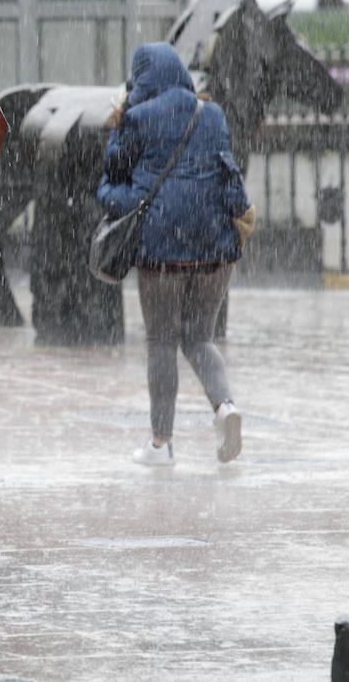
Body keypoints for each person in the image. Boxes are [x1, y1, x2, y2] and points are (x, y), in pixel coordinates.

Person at [97, 42, 255, 467]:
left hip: (162, 249)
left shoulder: (136, 118)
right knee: (199, 337)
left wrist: (118, 127)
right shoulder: (213, 113)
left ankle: (161, 444)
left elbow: (114, 187)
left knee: (162, 341)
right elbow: (230, 176)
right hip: (217, 248)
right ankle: (224, 407)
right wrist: (241, 213)